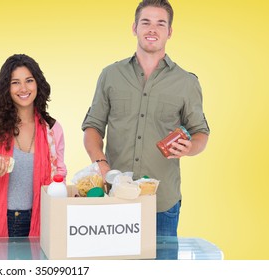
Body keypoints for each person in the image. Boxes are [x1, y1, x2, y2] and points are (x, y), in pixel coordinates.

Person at [82, 0, 210, 236]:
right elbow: (93, 127)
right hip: (115, 196)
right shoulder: (111, 75)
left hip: (162, 204)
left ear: (169, 32)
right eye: (146, 22)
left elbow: (200, 131)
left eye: (160, 23)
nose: (153, 29)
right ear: (134, 28)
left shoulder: (186, 82)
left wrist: (190, 147)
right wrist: (101, 163)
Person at [0, 54, 67, 240]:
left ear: (38, 84)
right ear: (7, 87)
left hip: (38, 221)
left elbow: (59, 176)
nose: (23, 88)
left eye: (29, 80)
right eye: (15, 82)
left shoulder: (52, 130)